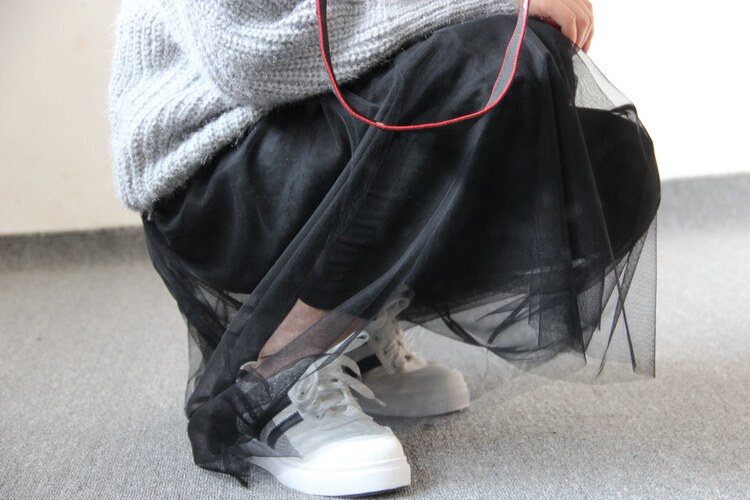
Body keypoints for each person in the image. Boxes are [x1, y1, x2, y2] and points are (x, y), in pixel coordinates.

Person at [109, 0, 659, 496]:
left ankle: (353, 329)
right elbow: (250, 56)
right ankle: (283, 368)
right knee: (491, 54)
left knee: (606, 161)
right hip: (216, 176)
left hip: (318, 126)